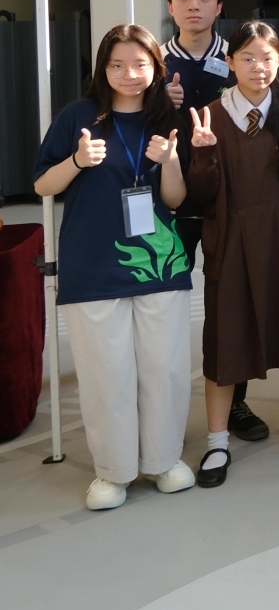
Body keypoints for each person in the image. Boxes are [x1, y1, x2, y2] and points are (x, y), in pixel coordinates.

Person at [34, 25, 195, 510]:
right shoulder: (78, 116)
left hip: (160, 263)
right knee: (107, 373)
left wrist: (170, 161)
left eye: (140, 64)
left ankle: (163, 460)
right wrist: (78, 161)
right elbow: (42, 185)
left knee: (164, 368)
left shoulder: (168, 117)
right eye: (117, 65)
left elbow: (175, 199)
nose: (129, 74)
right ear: (102, 68)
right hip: (92, 262)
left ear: (156, 68)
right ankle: (113, 471)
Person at [185, 20, 279, 485]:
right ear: (230, 62)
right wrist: (202, 154)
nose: (258, 67)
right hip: (232, 236)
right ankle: (216, 442)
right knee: (225, 338)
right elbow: (201, 195)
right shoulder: (209, 116)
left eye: (266, 57)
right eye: (247, 57)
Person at [161, 0, 269, 444]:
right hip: (171, 202)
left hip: (231, 201)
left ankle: (236, 401)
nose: (194, 6)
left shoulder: (240, 56)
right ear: (170, 6)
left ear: (219, 6)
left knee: (233, 303)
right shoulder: (151, 62)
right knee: (164, 301)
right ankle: (161, 404)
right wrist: (159, 104)